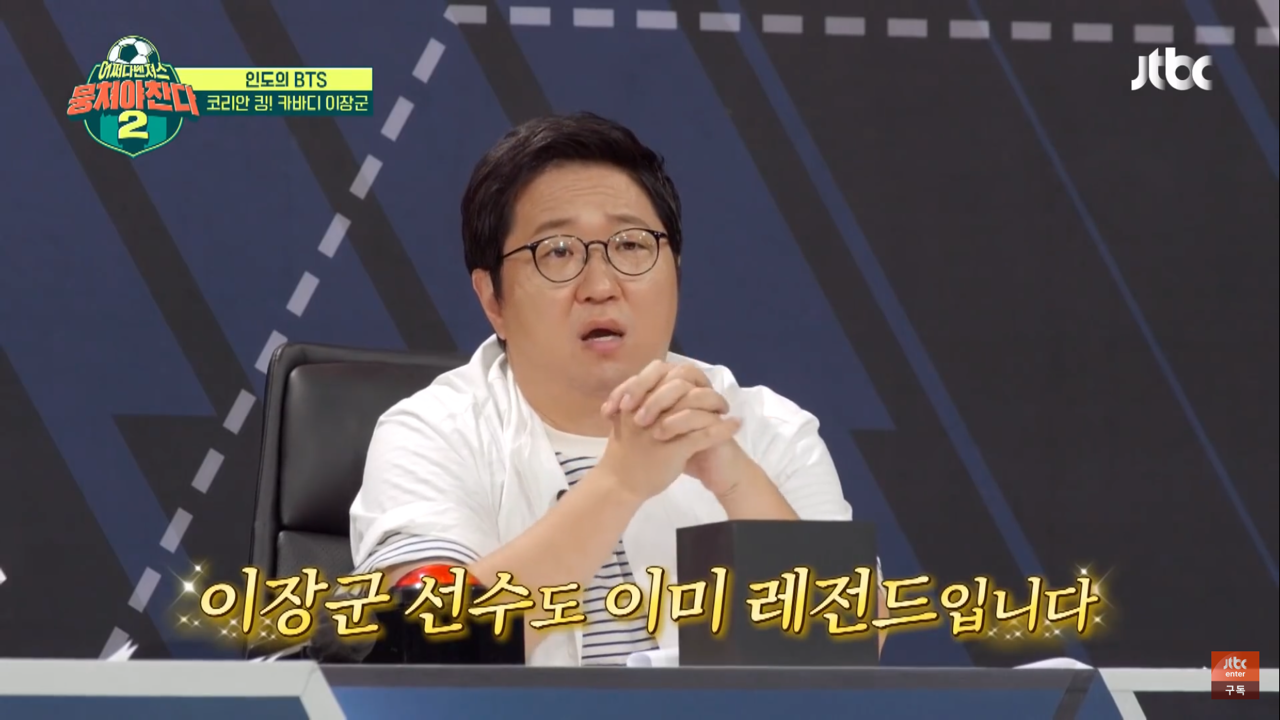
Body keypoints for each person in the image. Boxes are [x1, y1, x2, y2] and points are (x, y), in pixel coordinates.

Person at [348, 112, 885, 666]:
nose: (601, 286)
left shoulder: (768, 429)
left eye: (630, 245)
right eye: (558, 251)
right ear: (493, 300)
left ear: (676, 270)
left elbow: (851, 649)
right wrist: (620, 482)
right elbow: (429, 643)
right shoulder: (430, 435)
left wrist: (735, 480)